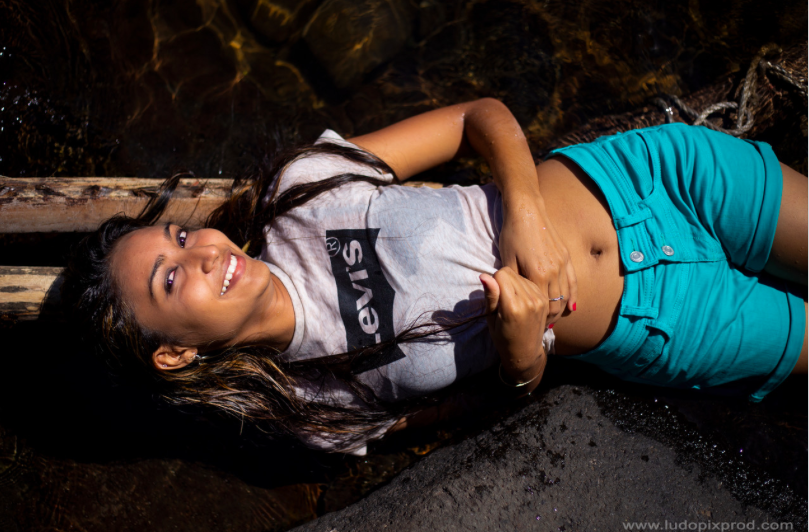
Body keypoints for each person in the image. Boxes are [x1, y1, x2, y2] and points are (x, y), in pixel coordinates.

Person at [60, 98, 807, 455]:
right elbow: (481, 403)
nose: (200, 252)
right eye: (169, 280)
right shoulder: (309, 407)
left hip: (655, 178)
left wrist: (521, 212)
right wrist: (524, 357)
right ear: (174, 354)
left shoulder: (300, 189)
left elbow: (477, 118)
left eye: (180, 235)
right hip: (662, 321)